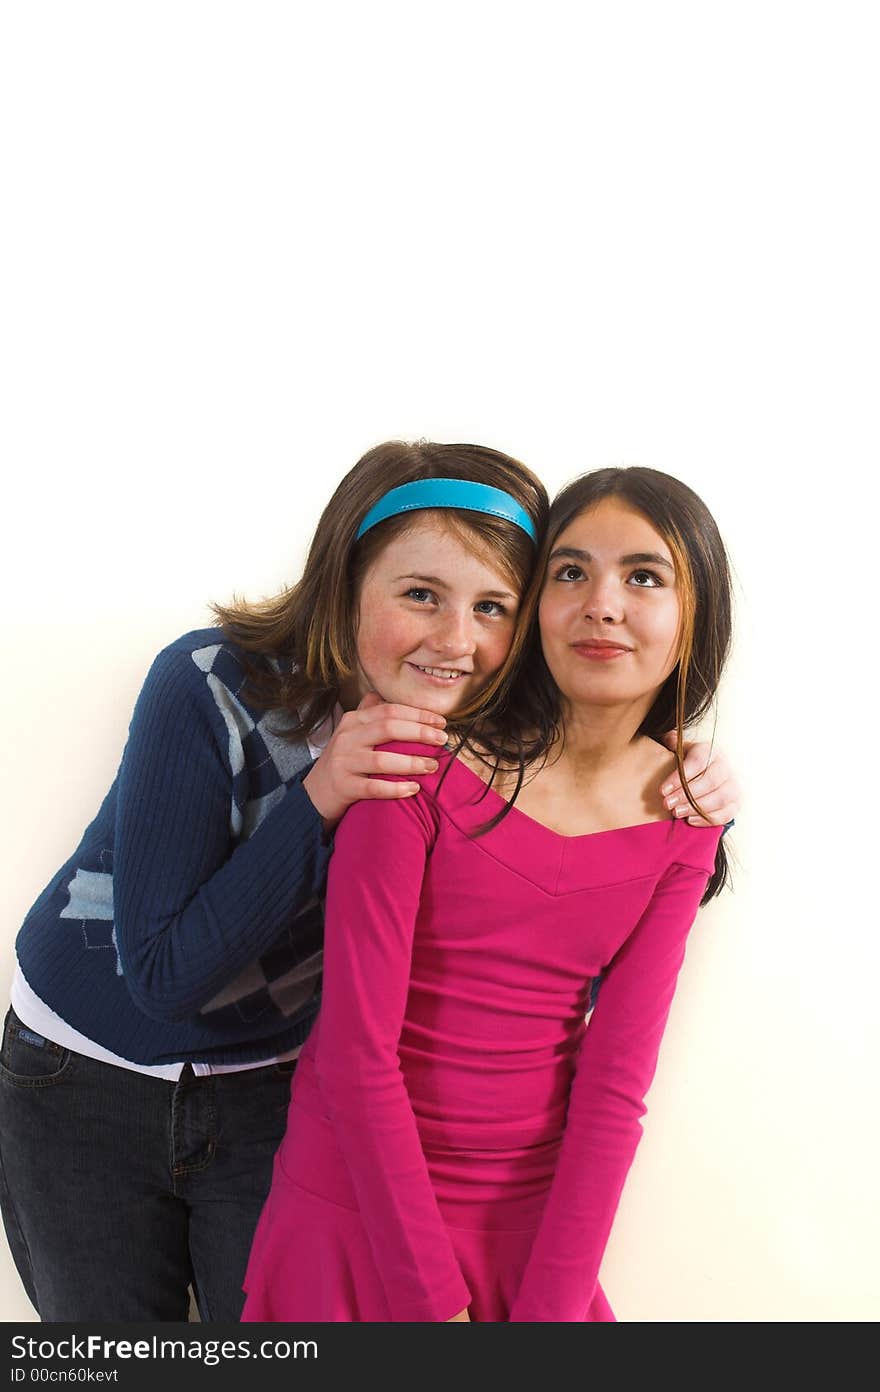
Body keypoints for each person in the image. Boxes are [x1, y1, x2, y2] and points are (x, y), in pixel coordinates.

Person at [0, 443, 738, 1322]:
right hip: (85, 1069)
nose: (454, 641)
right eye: (419, 594)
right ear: (345, 581)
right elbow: (163, 976)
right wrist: (318, 797)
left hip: (268, 1084)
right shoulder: (210, 683)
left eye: (494, 605)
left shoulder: (466, 739)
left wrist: (686, 766)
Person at [240, 463, 734, 1322]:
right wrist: (438, 1307)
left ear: (695, 621)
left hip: (535, 1239)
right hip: (359, 1215)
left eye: (643, 576)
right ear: (536, 604)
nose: (602, 603)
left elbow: (615, 1084)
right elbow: (358, 1057)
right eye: (570, 572)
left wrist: (546, 1310)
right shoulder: (419, 767)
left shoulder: (685, 814)